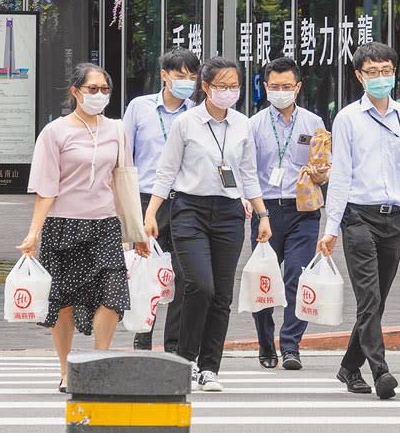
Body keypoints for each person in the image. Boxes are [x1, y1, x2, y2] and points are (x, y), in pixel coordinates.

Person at [17, 63, 150, 393]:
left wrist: (137, 232)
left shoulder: (117, 130)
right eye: (93, 89)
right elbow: (46, 188)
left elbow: (124, 181)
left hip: (105, 226)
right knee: (62, 302)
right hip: (63, 227)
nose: (100, 95)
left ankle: (98, 365)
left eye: (105, 90)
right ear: (75, 92)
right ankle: (66, 370)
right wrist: (34, 233)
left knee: (113, 295)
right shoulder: (56, 132)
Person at [144, 57, 272, 392]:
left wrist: (263, 214)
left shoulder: (243, 125)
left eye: (234, 86)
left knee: (221, 295)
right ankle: (185, 359)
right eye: (221, 86)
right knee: (200, 285)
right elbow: (166, 171)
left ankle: (209, 367)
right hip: (189, 210)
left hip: (230, 213)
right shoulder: (186, 123)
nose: (228, 92)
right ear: (205, 87)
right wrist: (149, 214)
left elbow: (248, 174)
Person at [316, 43, 400, 399]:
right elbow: (340, 177)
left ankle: (349, 367)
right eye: (372, 72)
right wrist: (330, 228)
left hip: (394, 220)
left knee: (378, 300)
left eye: (386, 70)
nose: (381, 77)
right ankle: (380, 371)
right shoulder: (348, 118)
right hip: (357, 217)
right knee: (368, 297)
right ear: (359, 76)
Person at [246, 57, 327, 370]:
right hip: (265, 212)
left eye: (287, 86)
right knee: (263, 280)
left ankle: (291, 345)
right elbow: (247, 170)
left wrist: (322, 173)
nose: (281, 91)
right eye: (275, 86)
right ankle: (266, 343)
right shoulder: (253, 125)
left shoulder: (313, 123)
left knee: (297, 275)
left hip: (303, 211)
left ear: (298, 87)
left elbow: (323, 165)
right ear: (266, 87)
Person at [123, 47, 200, 352]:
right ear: (164, 76)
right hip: (144, 201)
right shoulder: (140, 108)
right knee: (149, 271)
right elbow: (124, 159)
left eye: (192, 76)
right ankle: (144, 333)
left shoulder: (196, 114)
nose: (187, 81)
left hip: (183, 201)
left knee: (184, 275)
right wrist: (126, 213)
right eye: (181, 75)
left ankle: (174, 343)